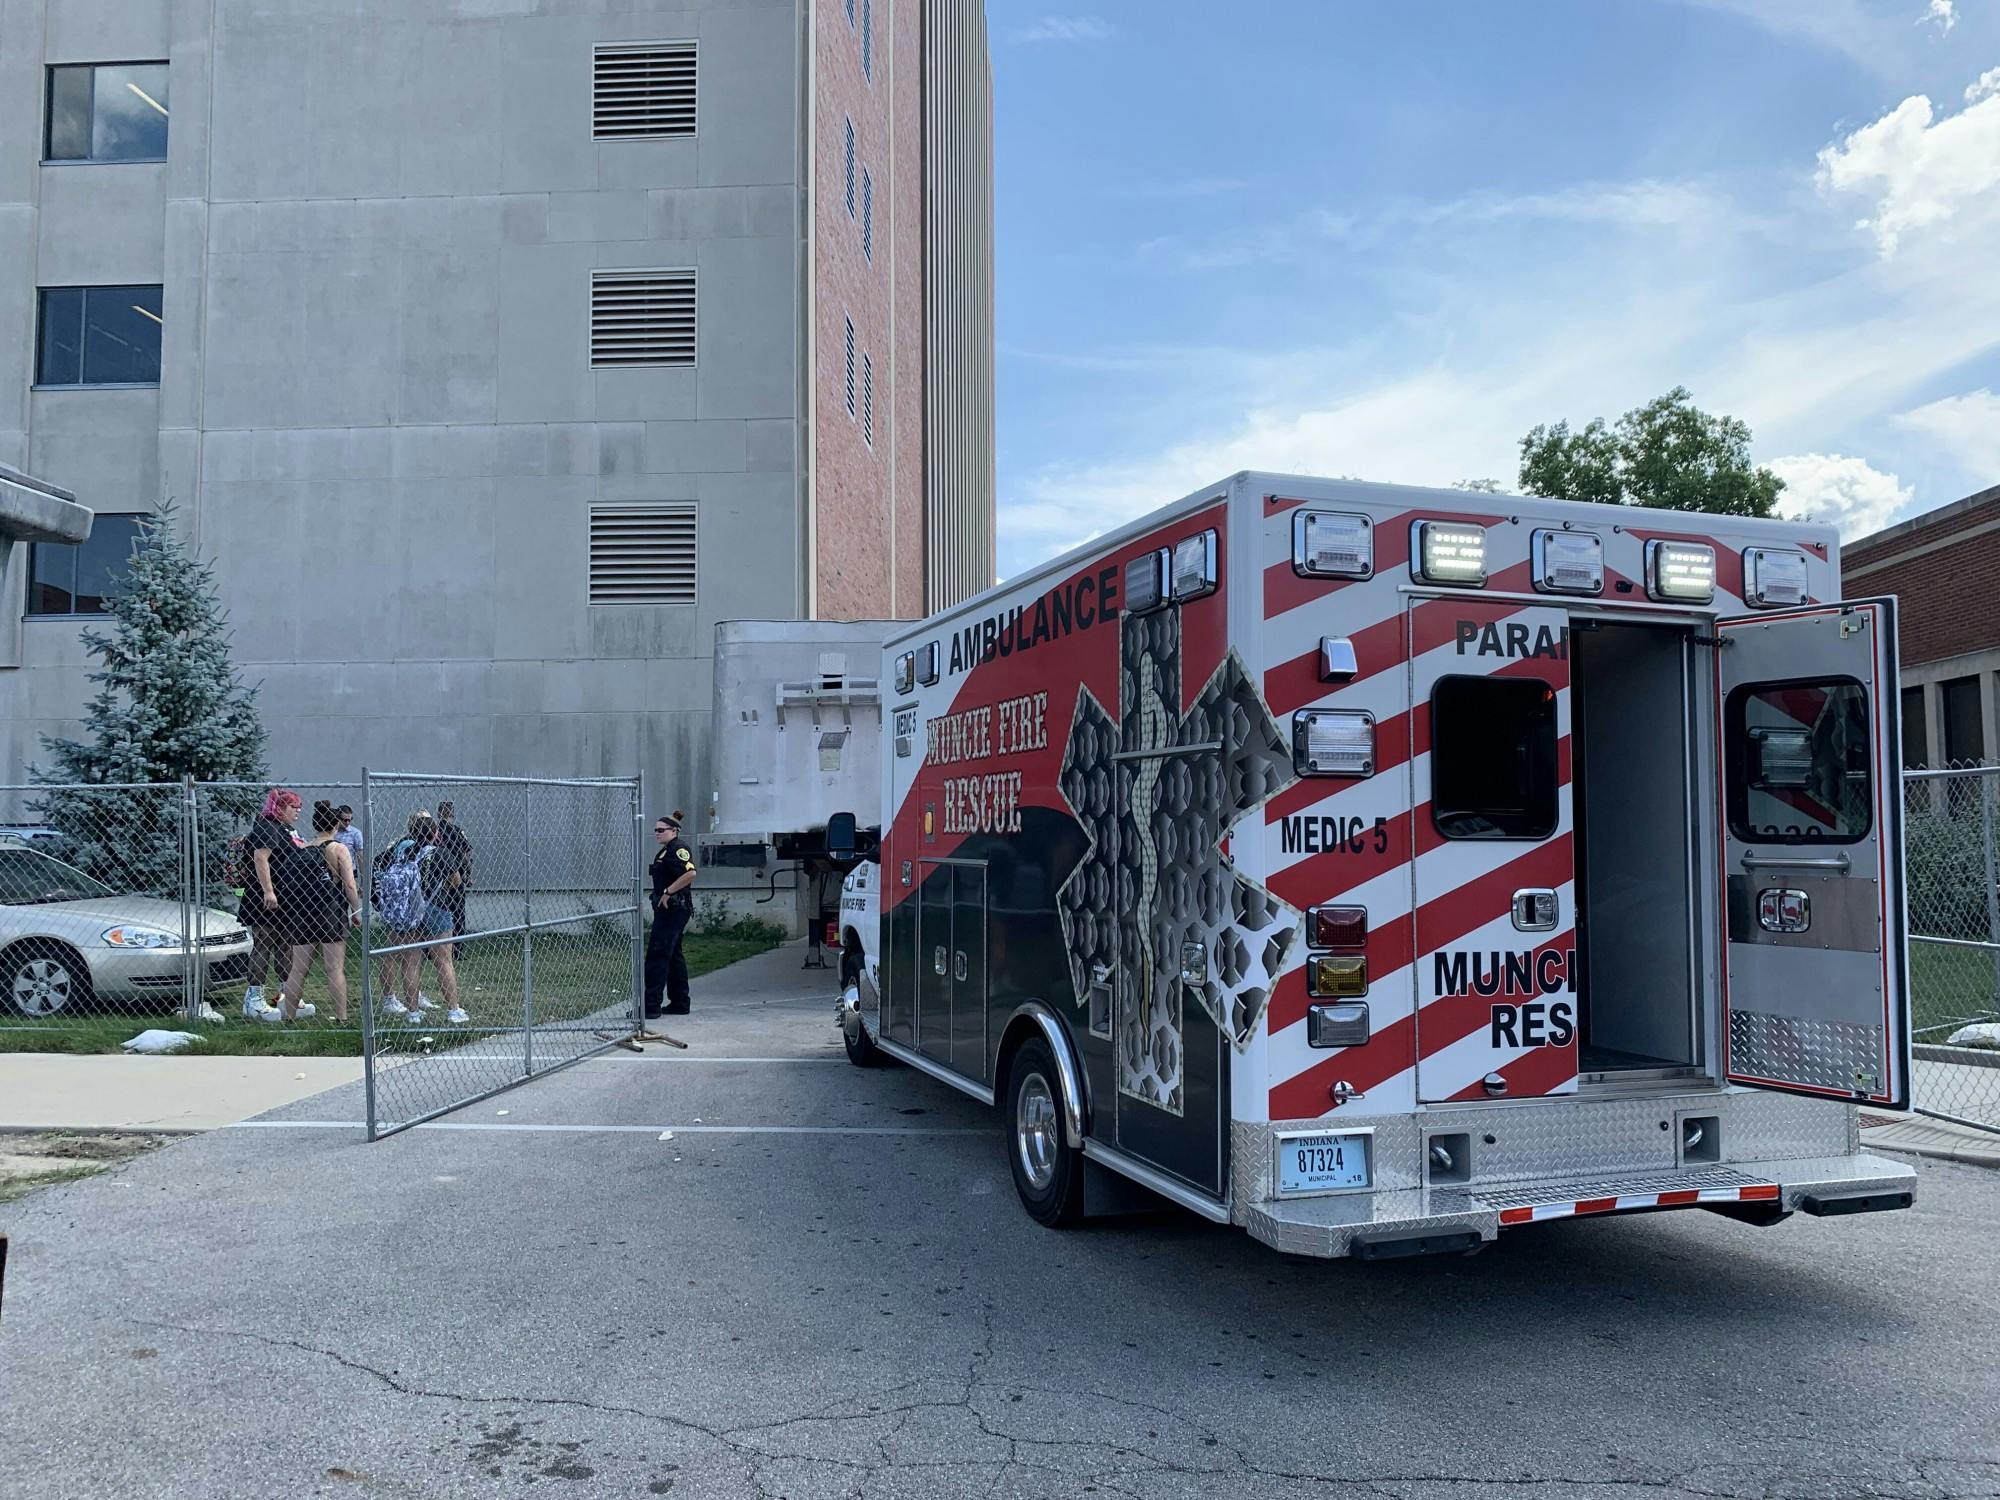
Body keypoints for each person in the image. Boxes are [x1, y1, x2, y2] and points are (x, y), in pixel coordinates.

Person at [273, 802, 359, 1024]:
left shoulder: (302, 848)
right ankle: (341, 1018)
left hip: (302, 912)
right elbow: (349, 884)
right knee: (334, 968)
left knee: (298, 970)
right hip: (330, 910)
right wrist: (356, 909)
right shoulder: (338, 848)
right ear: (336, 826)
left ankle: (289, 1018)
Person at [378, 813, 468, 1025]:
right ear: (434, 833)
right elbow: (456, 881)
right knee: (444, 962)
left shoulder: (403, 852)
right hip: (436, 909)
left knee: (411, 962)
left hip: (410, 912)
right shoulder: (440, 854)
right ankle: (453, 1010)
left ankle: (413, 1012)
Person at [237, 789, 302, 1020]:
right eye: (293, 805)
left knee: (285, 944)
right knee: (264, 942)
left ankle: (287, 996)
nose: (298, 810)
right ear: (280, 807)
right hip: (264, 899)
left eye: (299, 805)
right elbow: (260, 858)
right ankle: (254, 999)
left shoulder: (286, 830)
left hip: (286, 899)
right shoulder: (266, 828)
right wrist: (268, 891)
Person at [644, 810, 697, 1019]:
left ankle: (651, 1007)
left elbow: (690, 873)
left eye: (661, 830)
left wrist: (668, 891)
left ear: (673, 831)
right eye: (655, 830)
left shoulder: (678, 848)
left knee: (657, 956)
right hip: (669, 910)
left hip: (673, 910)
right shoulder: (667, 850)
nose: (657, 833)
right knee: (674, 957)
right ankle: (680, 1002)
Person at [437, 801, 472, 957]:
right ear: (452, 813)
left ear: (438, 814)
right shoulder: (457, 832)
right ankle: (457, 950)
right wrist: (467, 875)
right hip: (455, 876)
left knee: (437, 912)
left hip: (436, 878)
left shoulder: (434, 832)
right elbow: (465, 855)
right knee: (457, 913)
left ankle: (432, 949)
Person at [334, 805, 363, 871]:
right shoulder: (330, 832)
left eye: (349, 820)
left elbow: (360, 856)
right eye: (345, 820)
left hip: (349, 870)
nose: (347, 823)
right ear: (337, 818)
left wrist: (363, 877)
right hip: (333, 871)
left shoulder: (355, 833)